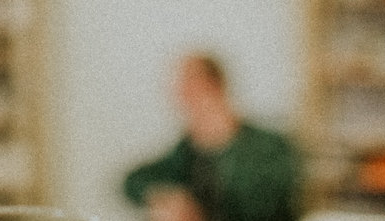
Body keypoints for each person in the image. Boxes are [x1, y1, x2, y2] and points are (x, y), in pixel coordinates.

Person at [123, 54, 301, 221]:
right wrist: (163, 197)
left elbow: (265, 207)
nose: (185, 101)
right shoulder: (188, 150)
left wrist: (196, 214)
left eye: (192, 90)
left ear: (216, 87)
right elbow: (133, 180)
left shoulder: (270, 146)